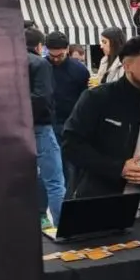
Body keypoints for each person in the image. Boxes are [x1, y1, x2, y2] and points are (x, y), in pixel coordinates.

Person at [61, 36, 140, 207]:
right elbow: (71, 144)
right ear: (127, 66)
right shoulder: (96, 99)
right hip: (95, 200)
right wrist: (118, 168)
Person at [25, 27, 65, 228]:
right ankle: (63, 227)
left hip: (14, 130)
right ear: (40, 46)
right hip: (41, 127)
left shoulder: (9, 61)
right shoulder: (39, 63)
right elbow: (42, 97)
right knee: (55, 182)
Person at [45, 31, 91, 191]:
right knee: (56, 168)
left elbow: (86, 100)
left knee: (73, 167)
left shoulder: (79, 70)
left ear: (67, 50)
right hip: (49, 124)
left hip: (73, 123)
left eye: (60, 55)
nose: (56, 59)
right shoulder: (42, 66)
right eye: (52, 55)